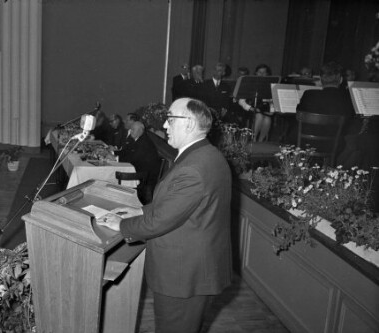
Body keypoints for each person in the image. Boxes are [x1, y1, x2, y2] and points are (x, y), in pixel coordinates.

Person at [99, 98, 232, 333]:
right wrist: (140, 210)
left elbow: (160, 221)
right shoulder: (206, 154)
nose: (165, 126)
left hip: (184, 275)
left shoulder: (193, 167)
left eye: (170, 119)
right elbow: (179, 205)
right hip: (193, 267)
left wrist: (122, 224)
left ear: (189, 124)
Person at [115, 121, 161, 203]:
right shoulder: (136, 138)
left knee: (115, 176)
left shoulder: (144, 142)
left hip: (146, 177)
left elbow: (132, 159)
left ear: (140, 130)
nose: (130, 131)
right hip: (139, 171)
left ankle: (122, 200)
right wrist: (113, 153)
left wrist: (115, 158)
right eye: (131, 129)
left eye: (133, 129)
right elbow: (126, 152)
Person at [238, 64, 274, 142]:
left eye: (264, 72)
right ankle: (253, 139)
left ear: (267, 74)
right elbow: (241, 101)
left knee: (268, 119)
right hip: (250, 110)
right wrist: (250, 108)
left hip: (264, 110)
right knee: (260, 116)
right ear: (256, 73)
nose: (261, 74)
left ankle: (261, 140)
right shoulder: (249, 83)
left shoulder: (270, 85)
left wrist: (272, 111)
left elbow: (272, 102)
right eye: (260, 72)